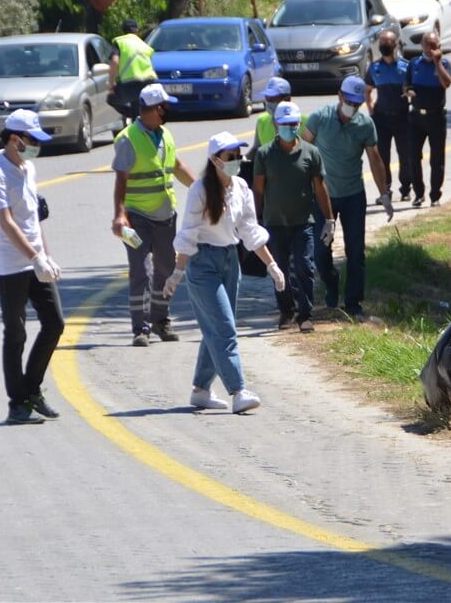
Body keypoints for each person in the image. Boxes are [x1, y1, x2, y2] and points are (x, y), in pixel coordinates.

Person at [163, 132, 286, 414]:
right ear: (215, 159)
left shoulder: (241, 187)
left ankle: (201, 390)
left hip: (230, 261)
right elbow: (189, 234)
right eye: (230, 157)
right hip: (202, 262)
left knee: (215, 327)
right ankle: (238, 390)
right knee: (224, 327)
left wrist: (271, 265)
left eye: (238, 156)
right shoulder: (200, 190)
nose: (236, 162)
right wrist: (177, 273)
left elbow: (249, 231)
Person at [0, 109, 65, 425]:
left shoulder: (28, 168)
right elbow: (7, 223)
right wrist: (34, 258)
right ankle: (17, 403)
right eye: (32, 139)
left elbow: (32, 220)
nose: (36, 145)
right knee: (15, 334)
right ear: (16, 139)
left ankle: (32, 389)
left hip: (34, 261)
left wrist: (47, 256)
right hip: (10, 265)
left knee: (55, 323)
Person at [302, 76, 394, 321]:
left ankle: (354, 302)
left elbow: (375, 159)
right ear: (340, 96)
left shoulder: (365, 125)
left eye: (358, 103)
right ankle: (331, 283)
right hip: (323, 197)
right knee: (321, 252)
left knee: (356, 251)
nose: (352, 107)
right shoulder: (320, 118)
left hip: (353, 194)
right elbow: (302, 151)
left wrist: (384, 193)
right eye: (349, 101)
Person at [112, 83, 196, 347]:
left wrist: (201, 190)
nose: (167, 111)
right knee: (140, 271)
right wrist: (119, 215)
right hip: (137, 218)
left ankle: (161, 320)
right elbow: (121, 179)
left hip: (164, 217)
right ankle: (141, 328)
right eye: (164, 107)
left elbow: (177, 165)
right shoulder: (128, 139)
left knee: (166, 268)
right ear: (153, 109)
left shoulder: (165, 135)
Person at [252, 102, 333, 333]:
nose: (290, 128)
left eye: (293, 124)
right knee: (279, 270)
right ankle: (286, 310)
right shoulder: (264, 154)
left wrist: (329, 220)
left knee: (304, 267)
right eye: (285, 124)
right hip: (274, 223)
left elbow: (320, 188)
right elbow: (258, 189)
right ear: (277, 124)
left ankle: (305, 314)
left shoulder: (311, 152)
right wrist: (255, 220)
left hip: (302, 222)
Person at [404, 30, 451, 208]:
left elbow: (446, 83)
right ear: (422, 46)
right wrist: (408, 91)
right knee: (413, 157)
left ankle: (435, 195)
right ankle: (418, 194)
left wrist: (437, 62)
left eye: (435, 45)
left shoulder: (444, 63)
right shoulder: (414, 63)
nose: (431, 48)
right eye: (429, 45)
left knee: (437, 158)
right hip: (416, 116)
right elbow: (406, 84)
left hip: (436, 116)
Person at [364, 29, 411, 204]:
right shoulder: (375, 68)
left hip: (402, 117)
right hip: (381, 118)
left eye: (388, 42)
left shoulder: (405, 67)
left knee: (405, 154)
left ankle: (406, 189)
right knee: (382, 156)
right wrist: (370, 108)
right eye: (382, 42)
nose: (384, 45)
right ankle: (386, 190)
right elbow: (367, 90)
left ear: (396, 44)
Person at [107, 18, 157, 122]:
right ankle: (139, 117)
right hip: (149, 83)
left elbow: (115, 61)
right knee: (137, 105)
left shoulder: (120, 42)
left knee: (111, 99)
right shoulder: (144, 45)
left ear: (123, 31)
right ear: (137, 31)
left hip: (129, 84)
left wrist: (111, 84)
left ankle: (131, 114)